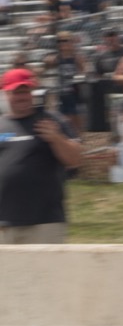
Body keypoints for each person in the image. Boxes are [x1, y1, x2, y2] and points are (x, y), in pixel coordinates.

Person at [0, 67, 82, 244]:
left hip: (45, 223)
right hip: (5, 224)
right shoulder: (1, 125)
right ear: (6, 93)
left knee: (49, 272)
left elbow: (75, 159)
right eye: (16, 92)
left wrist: (55, 138)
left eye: (26, 91)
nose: (22, 96)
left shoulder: (52, 120)